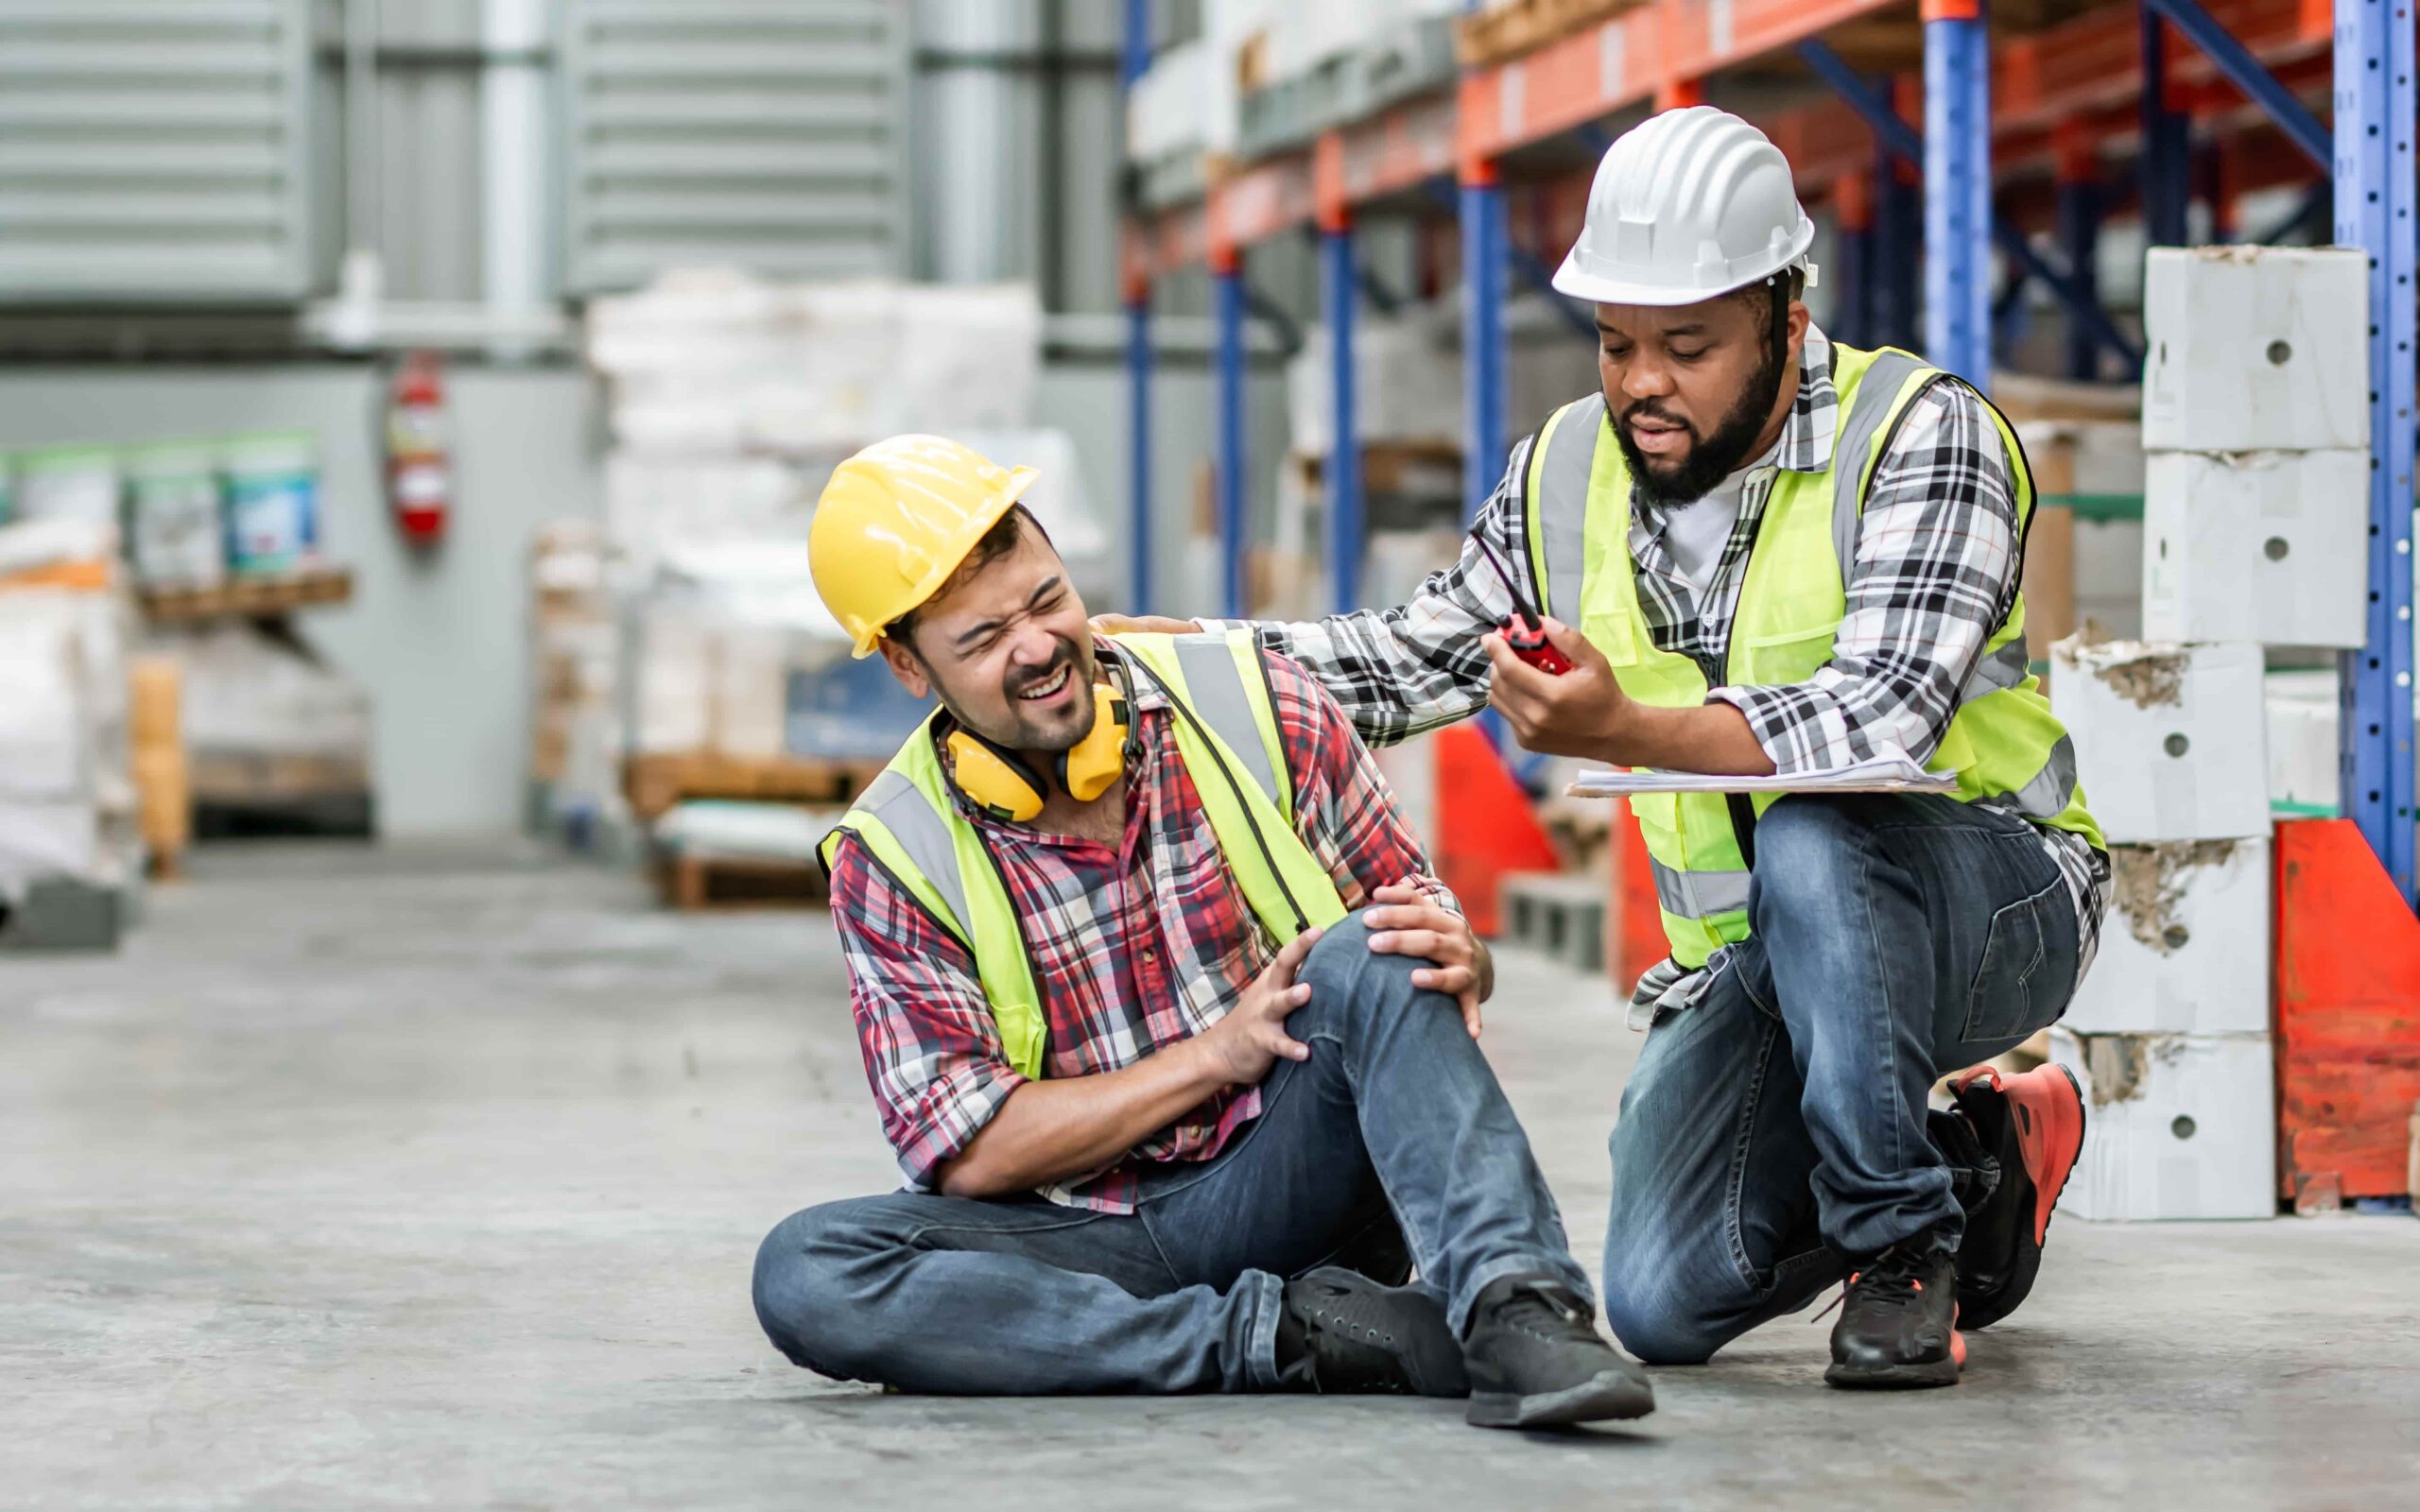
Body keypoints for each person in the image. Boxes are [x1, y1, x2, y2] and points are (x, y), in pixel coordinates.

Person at [1099, 107, 2104, 1389]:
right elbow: (1413, 658)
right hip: (1757, 960)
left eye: (1687, 348)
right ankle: (1984, 1166)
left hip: (1991, 899)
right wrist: (1189, 660)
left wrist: (1627, 727)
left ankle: (1901, 1246)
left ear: (1786, 325)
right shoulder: (1567, 471)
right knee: (1664, 1299)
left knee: (1813, 829)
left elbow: (1880, 717)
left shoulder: (1918, 436)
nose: (1642, 384)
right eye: (1619, 345)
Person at [751, 435, 1655, 1430]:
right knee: (808, 1268)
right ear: (907, 665)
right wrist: (1213, 1055)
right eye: (982, 639)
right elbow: (969, 1152)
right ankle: (1291, 1340)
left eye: (1046, 600)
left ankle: (1518, 1308)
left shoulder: (1256, 701)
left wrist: (1462, 954)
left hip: (1295, 1180)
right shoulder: (894, 854)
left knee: (1377, 946)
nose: (1040, 647)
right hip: (1082, 1230)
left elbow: (1420, 930)